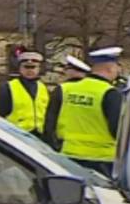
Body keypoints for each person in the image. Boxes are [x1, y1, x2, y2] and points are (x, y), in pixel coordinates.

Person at [44, 46, 124, 176]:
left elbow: (49, 124)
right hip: (102, 160)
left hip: (68, 155)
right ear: (110, 68)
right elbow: (117, 129)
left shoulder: (64, 90)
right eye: (117, 67)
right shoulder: (110, 93)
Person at [0, 50, 49, 138]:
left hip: (40, 137)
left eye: (33, 67)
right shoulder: (10, 87)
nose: (29, 70)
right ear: (20, 68)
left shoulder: (43, 88)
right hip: (16, 135)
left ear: (39, 68)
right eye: (26, 67)